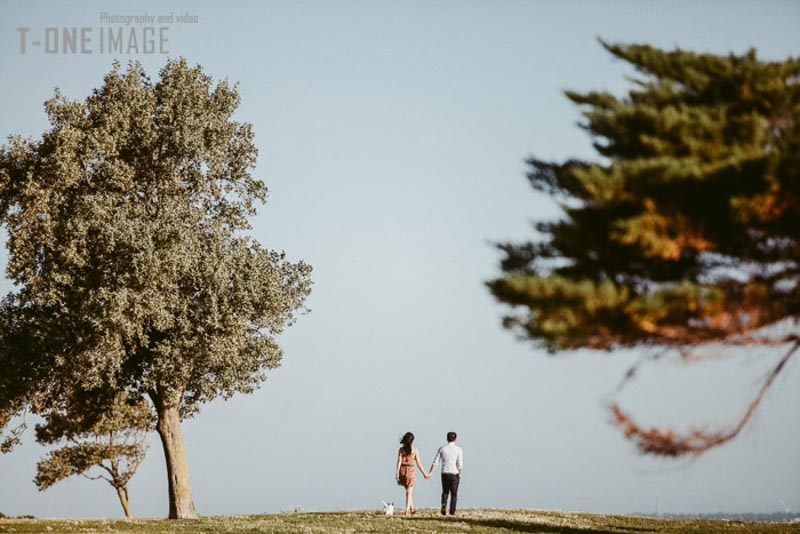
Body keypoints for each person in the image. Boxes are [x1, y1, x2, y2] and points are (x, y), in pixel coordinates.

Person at [395, 432, 431, 516]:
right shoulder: (414, 450)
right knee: (409, 490)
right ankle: (407, 509)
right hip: (410, 469)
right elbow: (418, 463)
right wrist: (424, 473)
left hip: (402, 470)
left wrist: (397, 472)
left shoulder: (401, 450)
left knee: (407, 489)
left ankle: (412, 507)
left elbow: (399, 461)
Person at [429, 431, 463, 516]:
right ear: (455, 439)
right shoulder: (459, 450)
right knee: (454, 493)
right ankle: (452, 510)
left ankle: (443, 505)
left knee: (445, 491)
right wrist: (460, 473)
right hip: (454, 473)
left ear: (447, 438)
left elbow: (435, 462)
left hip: (444, 473)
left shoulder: (442, 449)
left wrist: (430, 473)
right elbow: (460, 464)